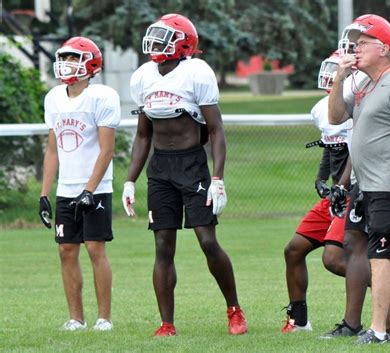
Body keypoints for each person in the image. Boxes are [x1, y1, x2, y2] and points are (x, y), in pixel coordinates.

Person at [121, 13, 247, 337]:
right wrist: (129, 179)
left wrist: (217, 178)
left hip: (192, 164)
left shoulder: (197, 72)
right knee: (163, 246)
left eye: (165, 37)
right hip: (160, 167)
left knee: (207, 241)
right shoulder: (143, 77)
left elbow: (217, 131)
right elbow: (143, 136)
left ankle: (234, 308)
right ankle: (166, 323)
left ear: (182, 44)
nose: (156, 43)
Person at [328, 14, 390, 344]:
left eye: (362, 43)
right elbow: (335, 116)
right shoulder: (366, 84)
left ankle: (379, 330)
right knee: (388, 256)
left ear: (383, 48)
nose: (356, 49)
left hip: (389, 184)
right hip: (368, 186)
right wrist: (340, 75)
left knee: (379, 257)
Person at [39, 37, 120, 331]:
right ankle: (76, 318)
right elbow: (52, 149)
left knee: (95, 248)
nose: (68, 63)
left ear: (90, 63)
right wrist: (44, 193)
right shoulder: (53, 98)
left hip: (95, 188)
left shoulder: (103, 96)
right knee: (66, 250)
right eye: (66, 58)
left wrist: (89, 189)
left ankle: (103, 318)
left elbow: (106, 149)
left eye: (74, 58)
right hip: (66, 188)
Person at [281, 51, 353, 333]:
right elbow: (330, 146)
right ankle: (299, 321)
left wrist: (341, 186)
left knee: (334, 260)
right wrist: (321, 178)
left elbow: (356, 152)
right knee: (294, 250)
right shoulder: (320, 107)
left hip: (353, 192)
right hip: (334, 195)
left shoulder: (356, 105)